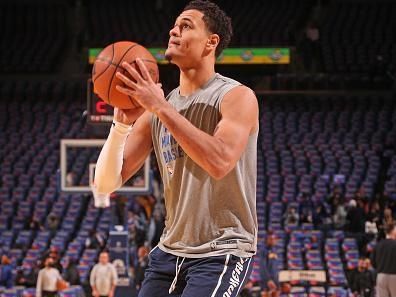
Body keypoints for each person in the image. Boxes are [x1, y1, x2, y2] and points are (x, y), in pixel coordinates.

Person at [94, 1, 258, 296]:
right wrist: (119, 128)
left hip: (222, 249)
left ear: (211, 42)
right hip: (170, 249)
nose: (173, 30)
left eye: (186, 25)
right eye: (174, 25)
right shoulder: (159, 108)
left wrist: (158, 107)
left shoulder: (236, 96)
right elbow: (106, 183)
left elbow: (220, 161)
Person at [371, 223, 396, 297]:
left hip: (381, 276)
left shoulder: (378, 244)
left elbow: (372, 262)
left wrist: (381, 268)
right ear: (392, 231)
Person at [259, 232, 280, 296]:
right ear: (267, 240)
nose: (273, 240)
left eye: (274, 239)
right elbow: (263, 266)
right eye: (271, 239)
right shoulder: (263, 250)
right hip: (267, 279)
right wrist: (268, 280)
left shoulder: (274, 249)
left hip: (275, 278)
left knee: (276, 293)